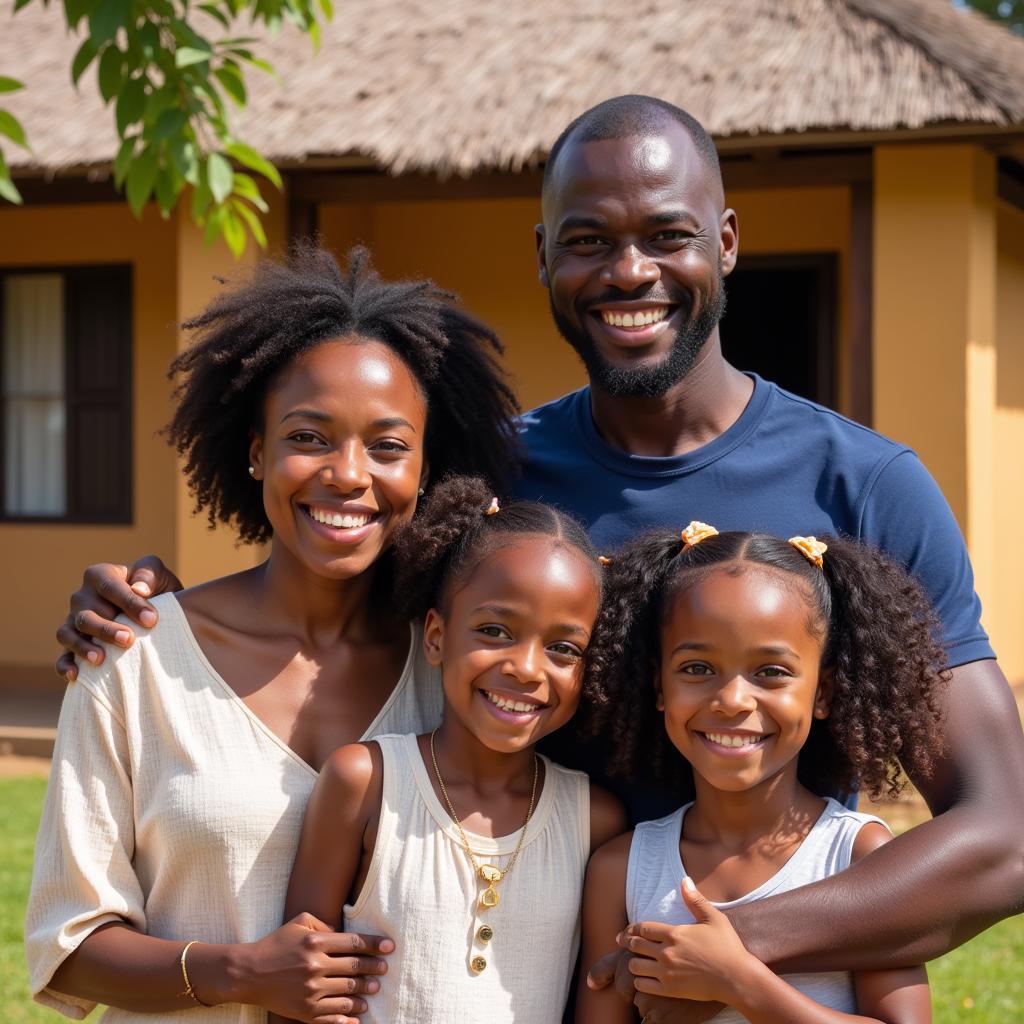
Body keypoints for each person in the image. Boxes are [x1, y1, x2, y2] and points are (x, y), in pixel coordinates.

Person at [52, 96, 1024, 1018]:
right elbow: (330, 570)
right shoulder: (489, 485)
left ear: (725, 241)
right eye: (589, 241)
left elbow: (1004, 838)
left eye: (667, 235)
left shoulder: (865, 487)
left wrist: (710, 945)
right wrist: (154, 609)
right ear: (544, 257)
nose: (628, 271)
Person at [25, 245, 520, 1022]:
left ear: (425, 471)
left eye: (387, 446)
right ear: (256, 453)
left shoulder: (456, 676)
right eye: (309, 437)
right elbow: (69, 942)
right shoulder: (133, 661)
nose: (348, 474)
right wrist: (239, 972)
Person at [273, 476, 624, 1024]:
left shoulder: (594, 822)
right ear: (436, 637)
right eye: (494, 630)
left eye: (562, 648)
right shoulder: (366, 781)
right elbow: (297, 993)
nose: (526, 668)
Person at [577, 523, 941, 1023]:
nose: (731, 701)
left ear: (823, 693)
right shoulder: (620, 872)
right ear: (658, 685)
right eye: (697, 669)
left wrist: (739, 982)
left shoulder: (859, 856)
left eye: (770, 672)